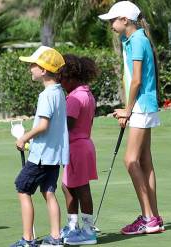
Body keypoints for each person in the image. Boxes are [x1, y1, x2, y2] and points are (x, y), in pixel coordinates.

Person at [99, 1, 163, 235]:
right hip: (144, 106)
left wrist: (127, 110)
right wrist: (129, 109)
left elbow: (136, 80)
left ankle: (148, 218)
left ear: (125, 20)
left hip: (141, 106)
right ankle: (154, 216)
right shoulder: (135, 40)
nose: (111, 25)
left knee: (130, 160)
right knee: (144, 162)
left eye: (113, 20)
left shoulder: (137, 40)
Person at [10, 46, 69, 247]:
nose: (30, 69)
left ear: (43, 70)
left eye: (33, 65)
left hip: (41, 155)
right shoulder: (60, 92)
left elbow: (43, 126)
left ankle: (28, 240)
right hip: (54, 155)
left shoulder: (46, 95)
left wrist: (24, 137)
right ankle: (55, 237)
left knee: (22, 188)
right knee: (49, 192)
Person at [58, 54, 99, 245]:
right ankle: (73, 226)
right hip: (83, 145)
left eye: (62, 79)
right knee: (68, 186)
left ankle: (88, 231)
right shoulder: (87, 94)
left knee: (81, 188)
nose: (60, 82)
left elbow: (67, 125)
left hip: (77, 147)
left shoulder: (74, 98)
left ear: (72, 78)